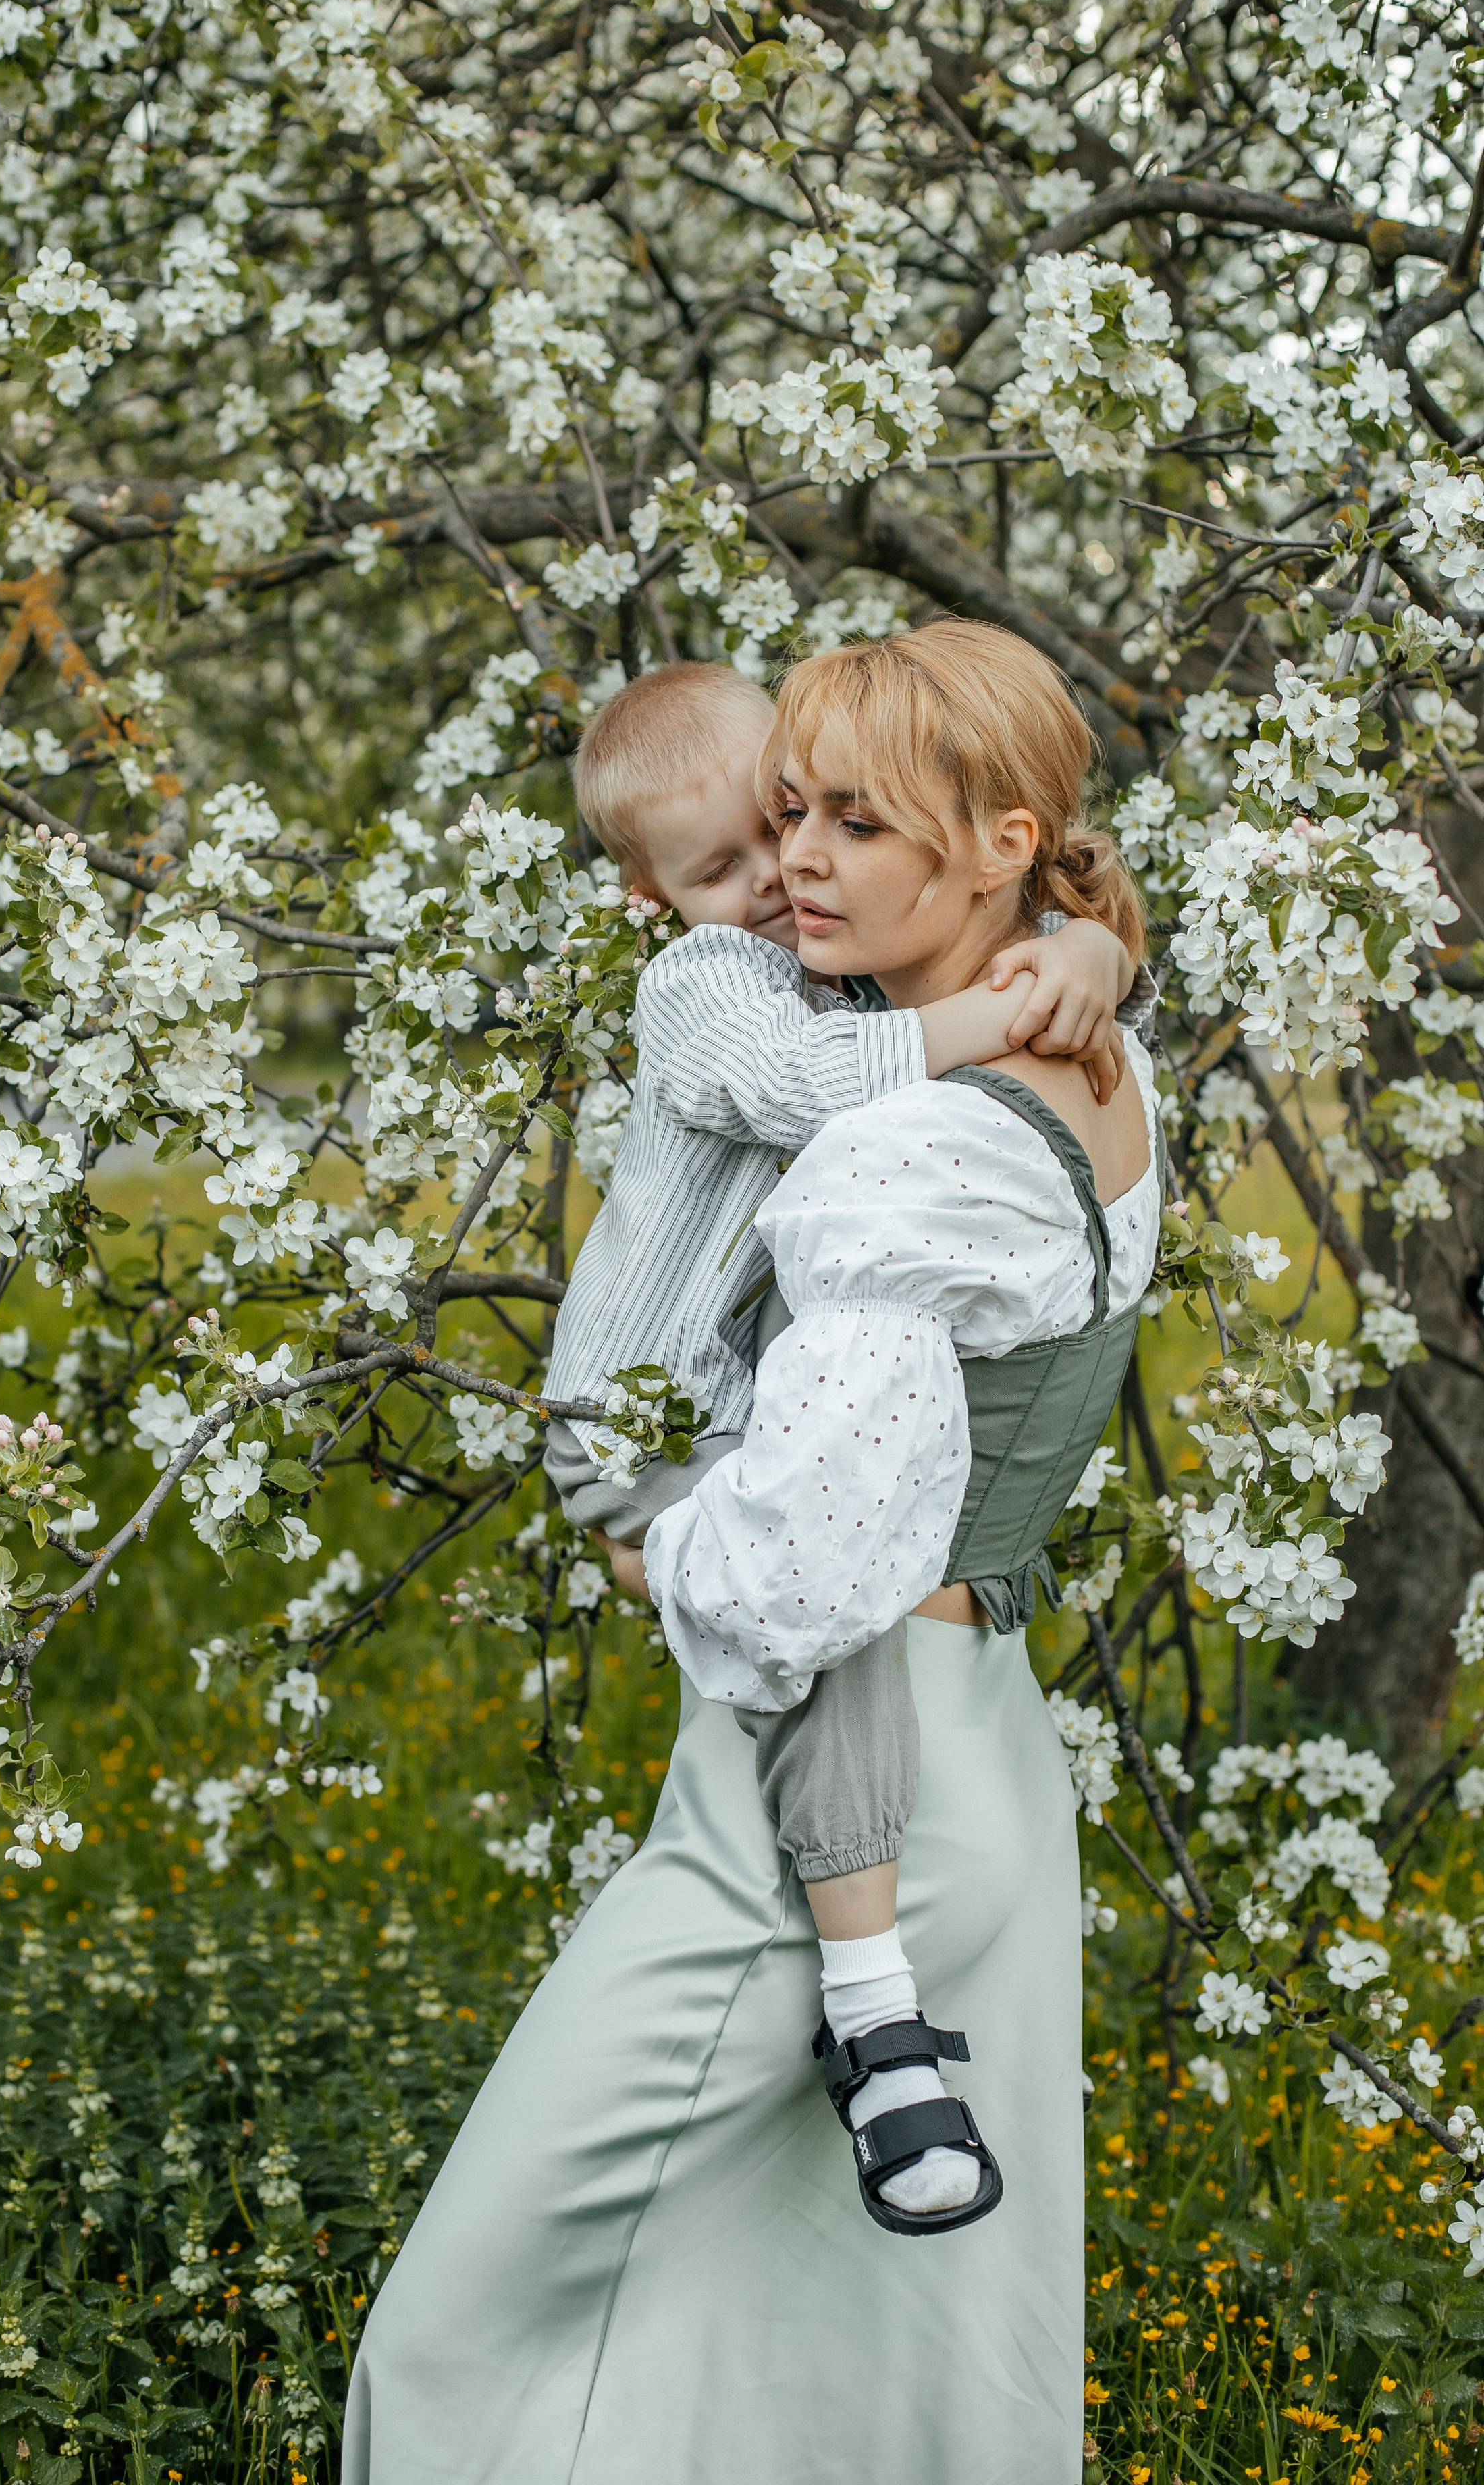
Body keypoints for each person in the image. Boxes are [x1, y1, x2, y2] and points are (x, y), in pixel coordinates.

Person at [344, 621, 1161, 2485]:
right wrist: (1084, 950)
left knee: (467, 2334)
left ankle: (872, 2027)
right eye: (787, 814)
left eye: (853, 823)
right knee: (842, 2357)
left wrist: (647, 1562)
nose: (798, 859)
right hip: (989, 1753)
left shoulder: (904, 1158)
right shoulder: (1096, 1062)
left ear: (998, 846)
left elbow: (791, 1587)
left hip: (817, 1803)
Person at [545, 658, 1138, 2222]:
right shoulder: (710, 989)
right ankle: (874, 2014)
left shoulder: (862, 973)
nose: (777, 877)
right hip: (647, 1416)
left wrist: (1081, 946)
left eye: (802, 821)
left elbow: (1011, 900)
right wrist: (1021, 992)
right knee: (836, 1641)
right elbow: (818, 1082)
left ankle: (876, 2014)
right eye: (727, 864)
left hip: (750, 1421)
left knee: (837, 1628)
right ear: (647, 896)